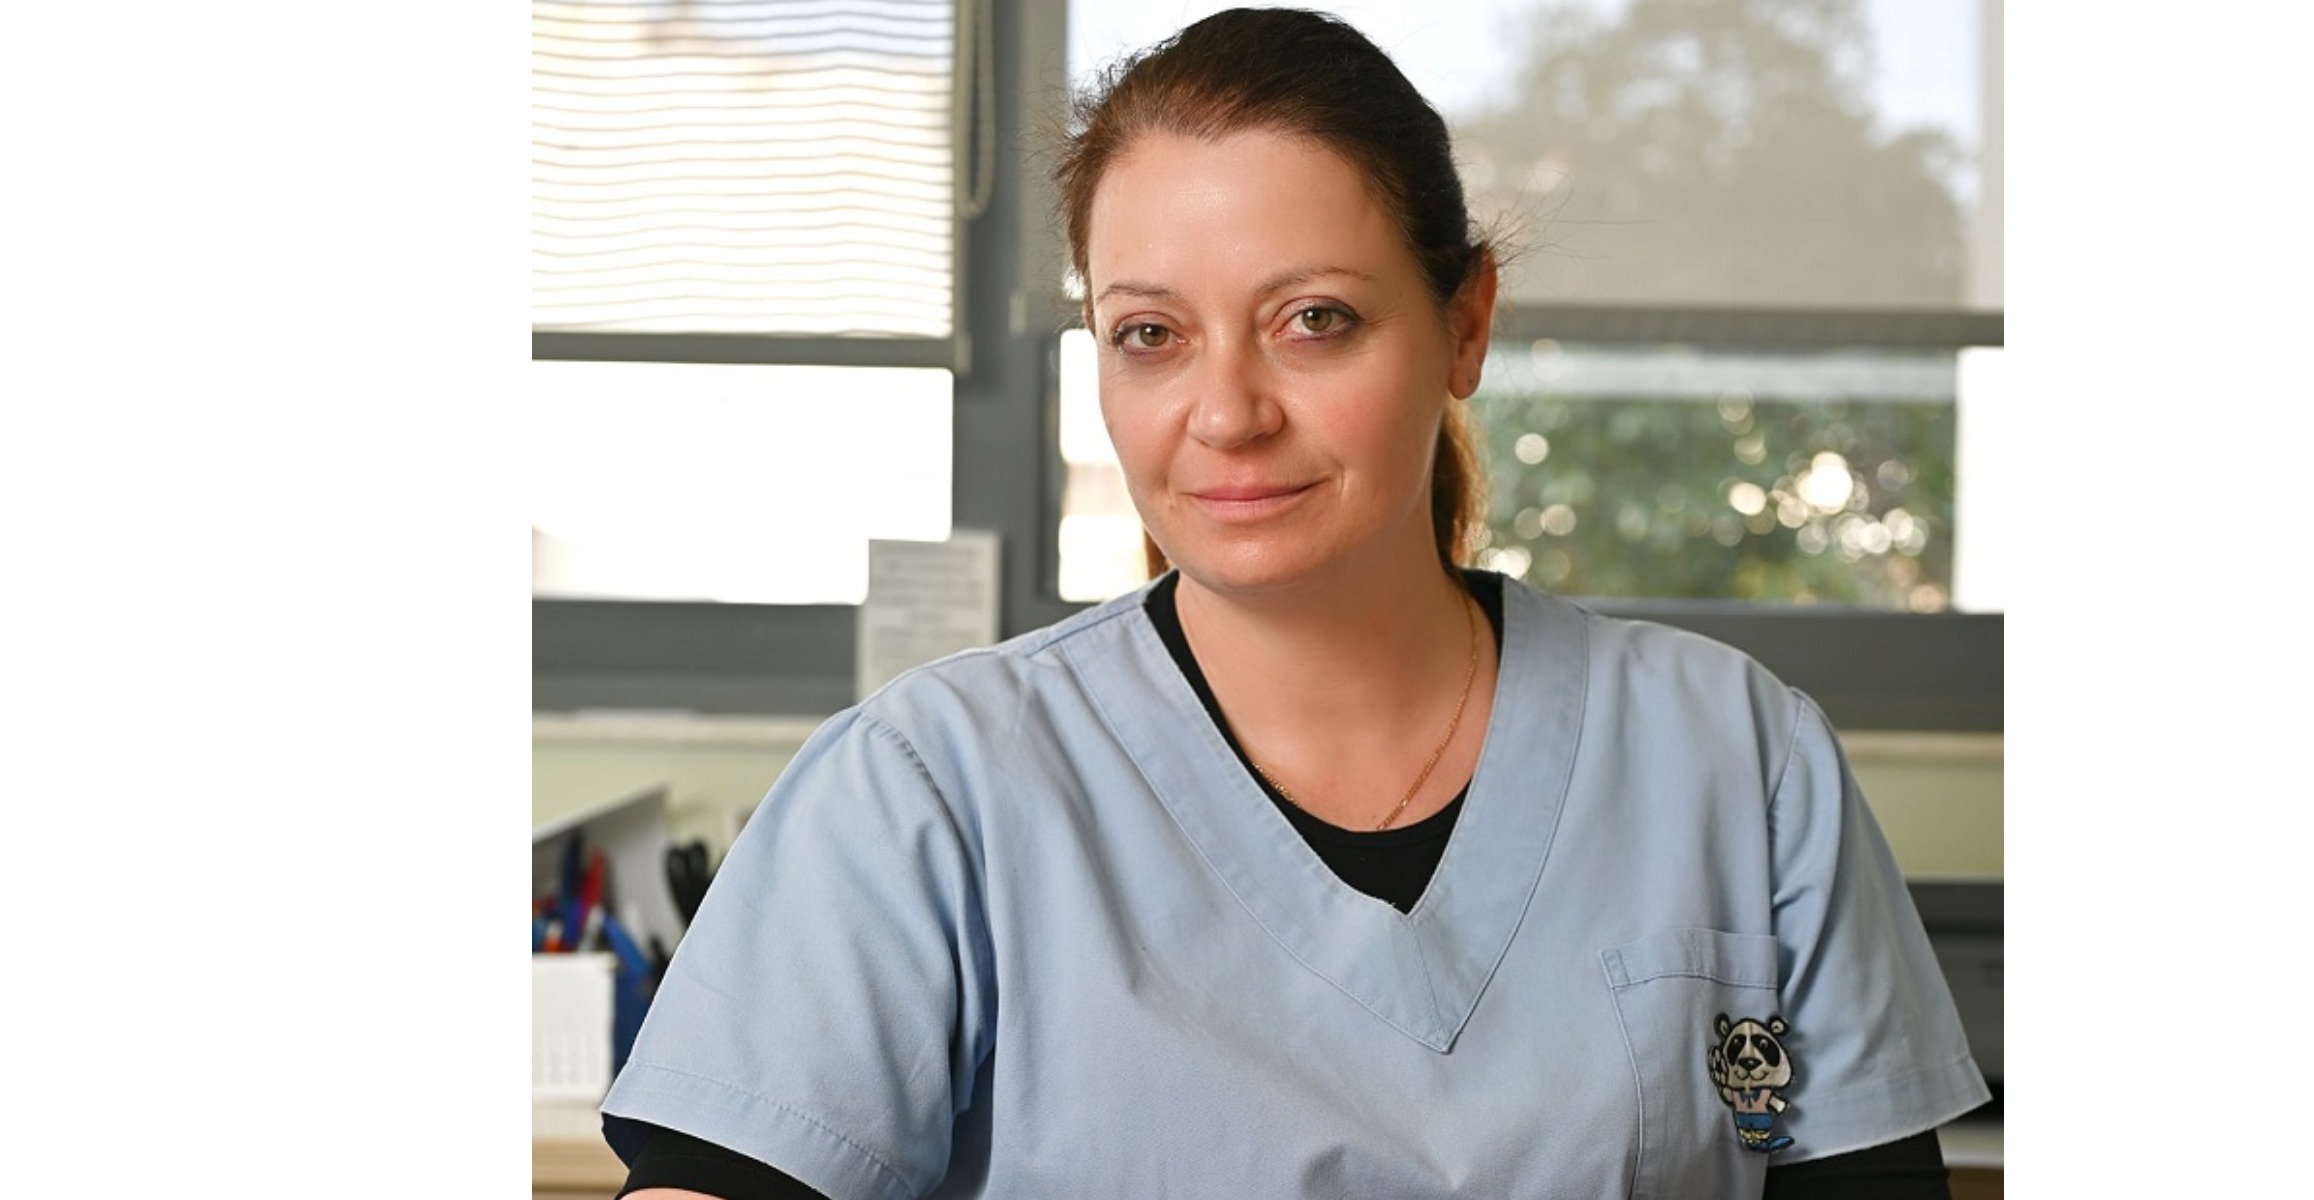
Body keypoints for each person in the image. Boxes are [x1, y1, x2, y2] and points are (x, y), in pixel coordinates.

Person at [597, 8, 1990, 1198]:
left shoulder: (1737, 761)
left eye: (1314, 319)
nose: (1226, 413)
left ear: (1465, 324)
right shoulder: (925, 792)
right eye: (1150, 334)